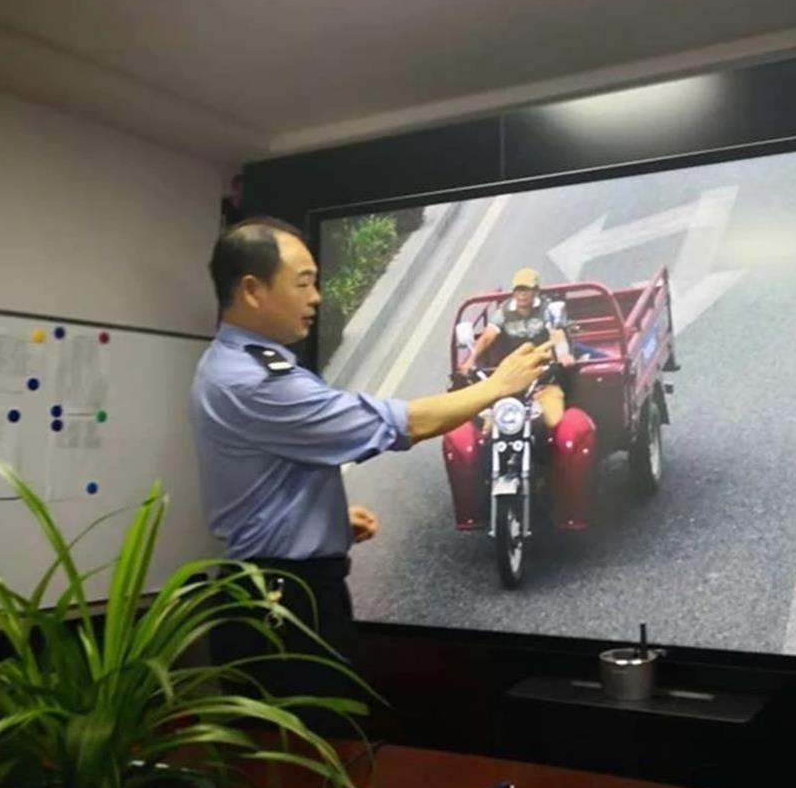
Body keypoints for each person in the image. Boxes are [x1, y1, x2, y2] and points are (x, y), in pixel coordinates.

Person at [189, 218, 551, 730]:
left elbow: (266, 473)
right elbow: (403, 424)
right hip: (284, 606)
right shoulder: (255, 382)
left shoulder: (232, 363)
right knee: (308, 750)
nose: (316, 297)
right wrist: (497, 386)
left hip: (275, 590)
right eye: (303, 283)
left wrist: (324, 520)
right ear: (252, 289)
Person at [458, 267, 573, 428]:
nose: (522, 295)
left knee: (553, 420)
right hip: (513, 372)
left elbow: (557, 334)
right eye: (518, 290)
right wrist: (471, 359)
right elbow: (487, 337)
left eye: (527, 290)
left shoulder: (547, 309)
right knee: (484, 422)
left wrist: (563, 354)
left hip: (544, 373)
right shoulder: (504, 312)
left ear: (536, 291)